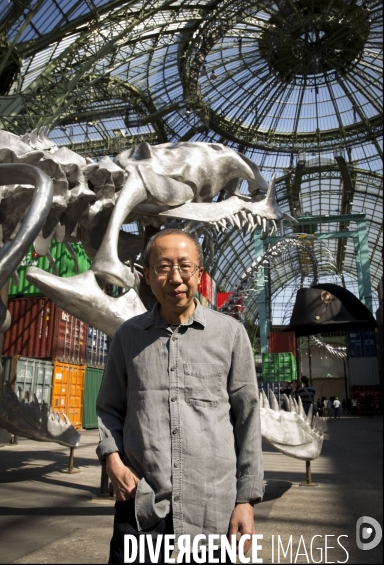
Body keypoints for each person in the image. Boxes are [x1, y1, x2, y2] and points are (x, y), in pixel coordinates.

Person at [96, 229, 264, 564]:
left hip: (212, 510)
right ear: (147, 275)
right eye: (163, 267)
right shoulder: (128, 337)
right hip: (143, 506)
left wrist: (246, 500)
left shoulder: (230, 335)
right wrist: (112, 460)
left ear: (199, 274)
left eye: (185, 267)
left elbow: (247, 420)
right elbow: (108, 408)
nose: (176, 278)